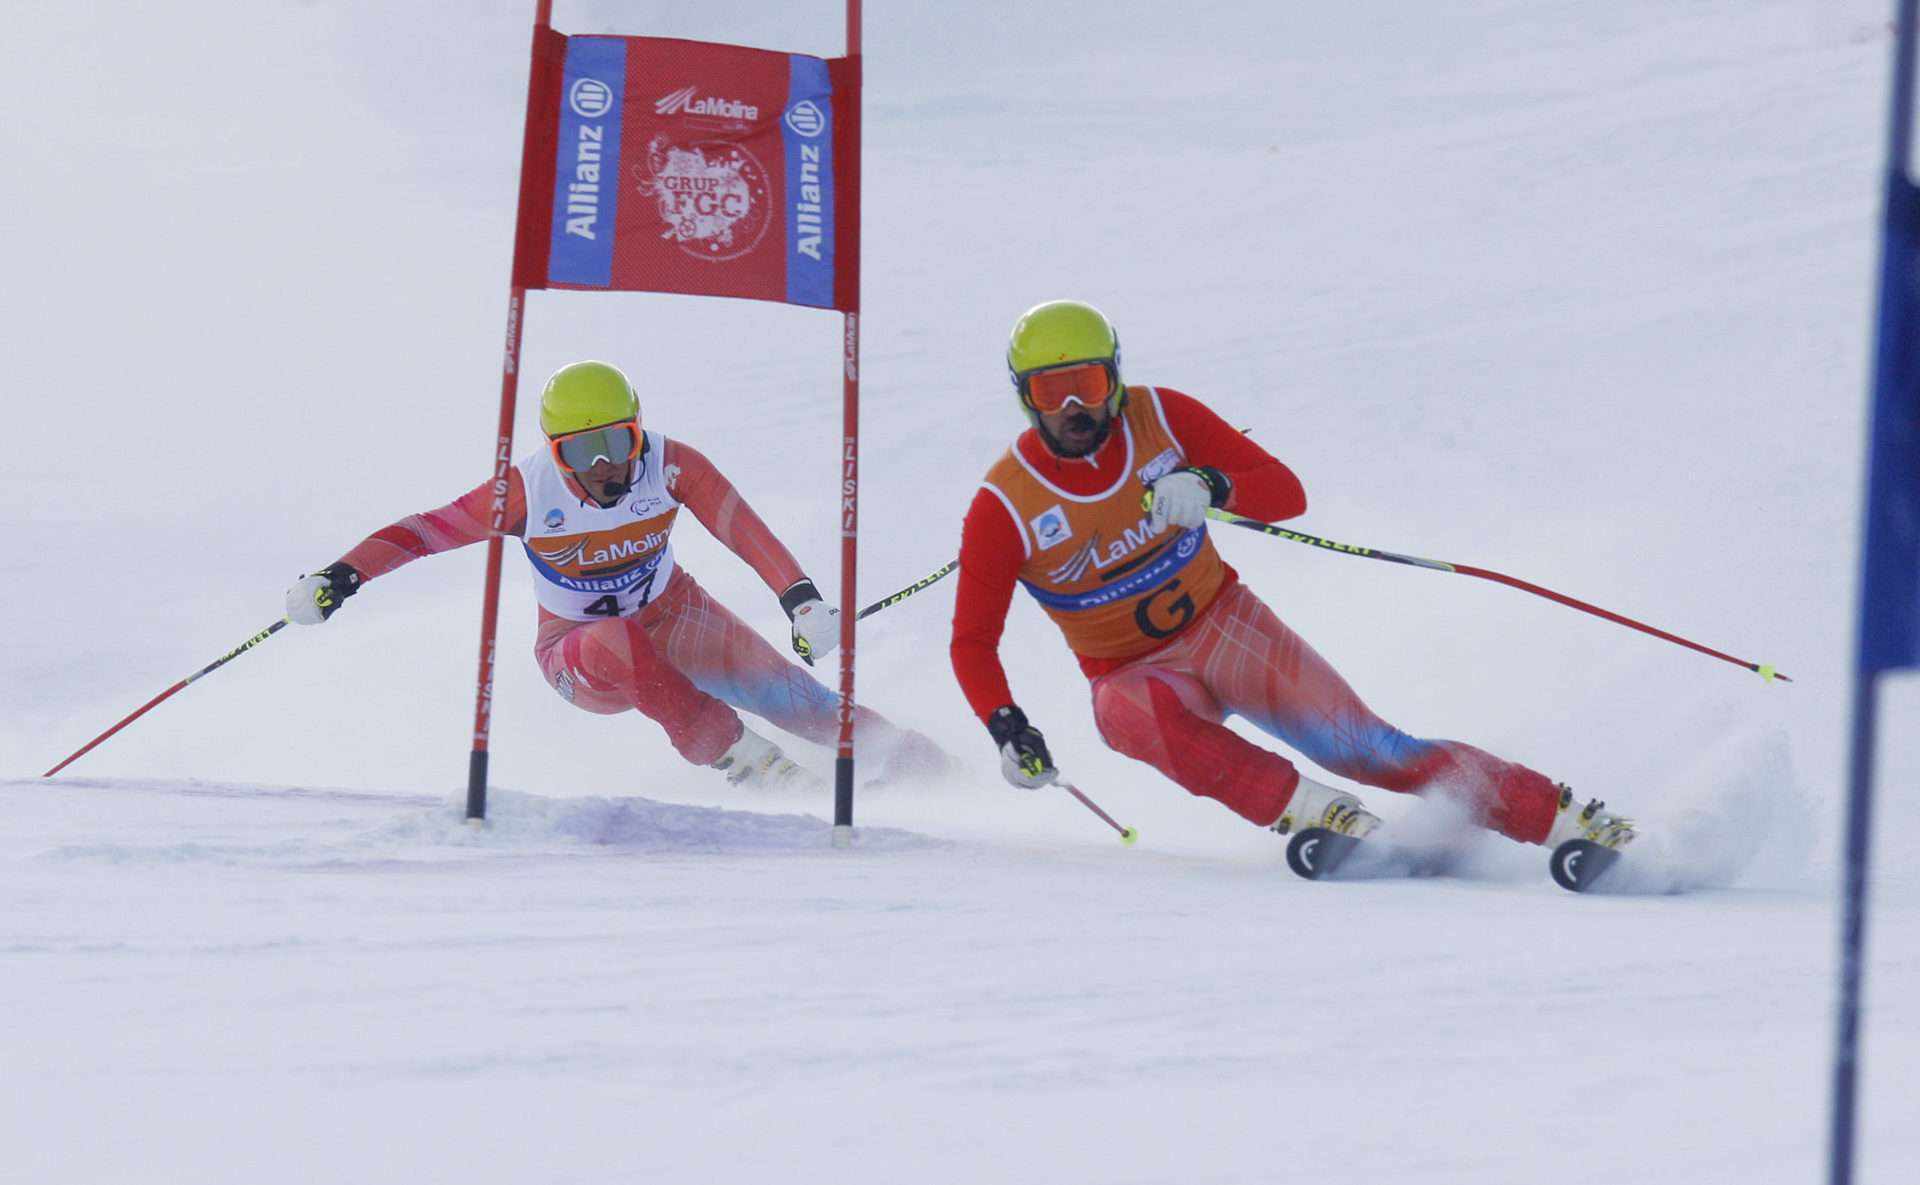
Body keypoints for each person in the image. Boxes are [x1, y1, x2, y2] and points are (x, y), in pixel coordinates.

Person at [948, 300, 1633, 855]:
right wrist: (1007, 728)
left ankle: (1565, 820)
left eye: (1090, 385)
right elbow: (972, 642)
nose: (1074, 406)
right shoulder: (1005, 504)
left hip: (1225, 626)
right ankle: (1315, 812)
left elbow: (1286, 491)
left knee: (1372, 750)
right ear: (1026, 399)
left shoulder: (1163, 417)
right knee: (1119, 715)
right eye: (1051, 391)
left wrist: (1213, 485)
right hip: (1133, 675)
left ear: (1116, 379)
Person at [288, 360, 946, 788]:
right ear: (555, 453)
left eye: (618, 442)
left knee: (797, 699)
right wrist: (341, 576)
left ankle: (927, 767)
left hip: (675, 613)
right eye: (582, 451)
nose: (605, 465)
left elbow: (742, 529)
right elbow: (423, 531)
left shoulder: (670, 463)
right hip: (579, 654)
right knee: (618, 641)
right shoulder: (527, 491)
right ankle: (755, 767)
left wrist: (800, 601)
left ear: (639, 430)